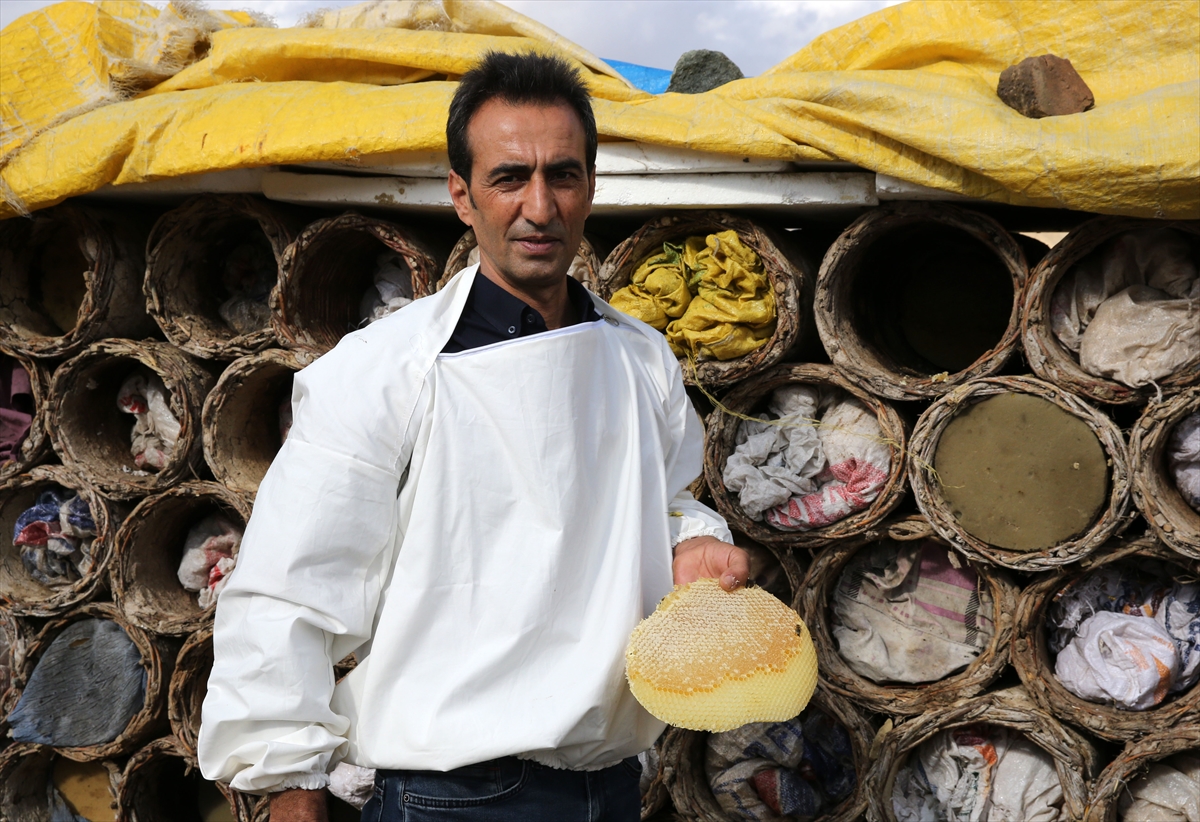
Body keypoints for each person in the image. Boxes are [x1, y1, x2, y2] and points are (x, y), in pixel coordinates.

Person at [198, 51, 748, 822]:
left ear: (592, 186)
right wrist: (291, 781)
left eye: (562, 175)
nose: (539, 206)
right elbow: (292, 581)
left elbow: (659, 502)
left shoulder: (639, 358)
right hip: (450, 796)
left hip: (610, 785)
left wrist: (692, 544)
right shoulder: (385, 371)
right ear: (462, 195)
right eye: (509, 177)